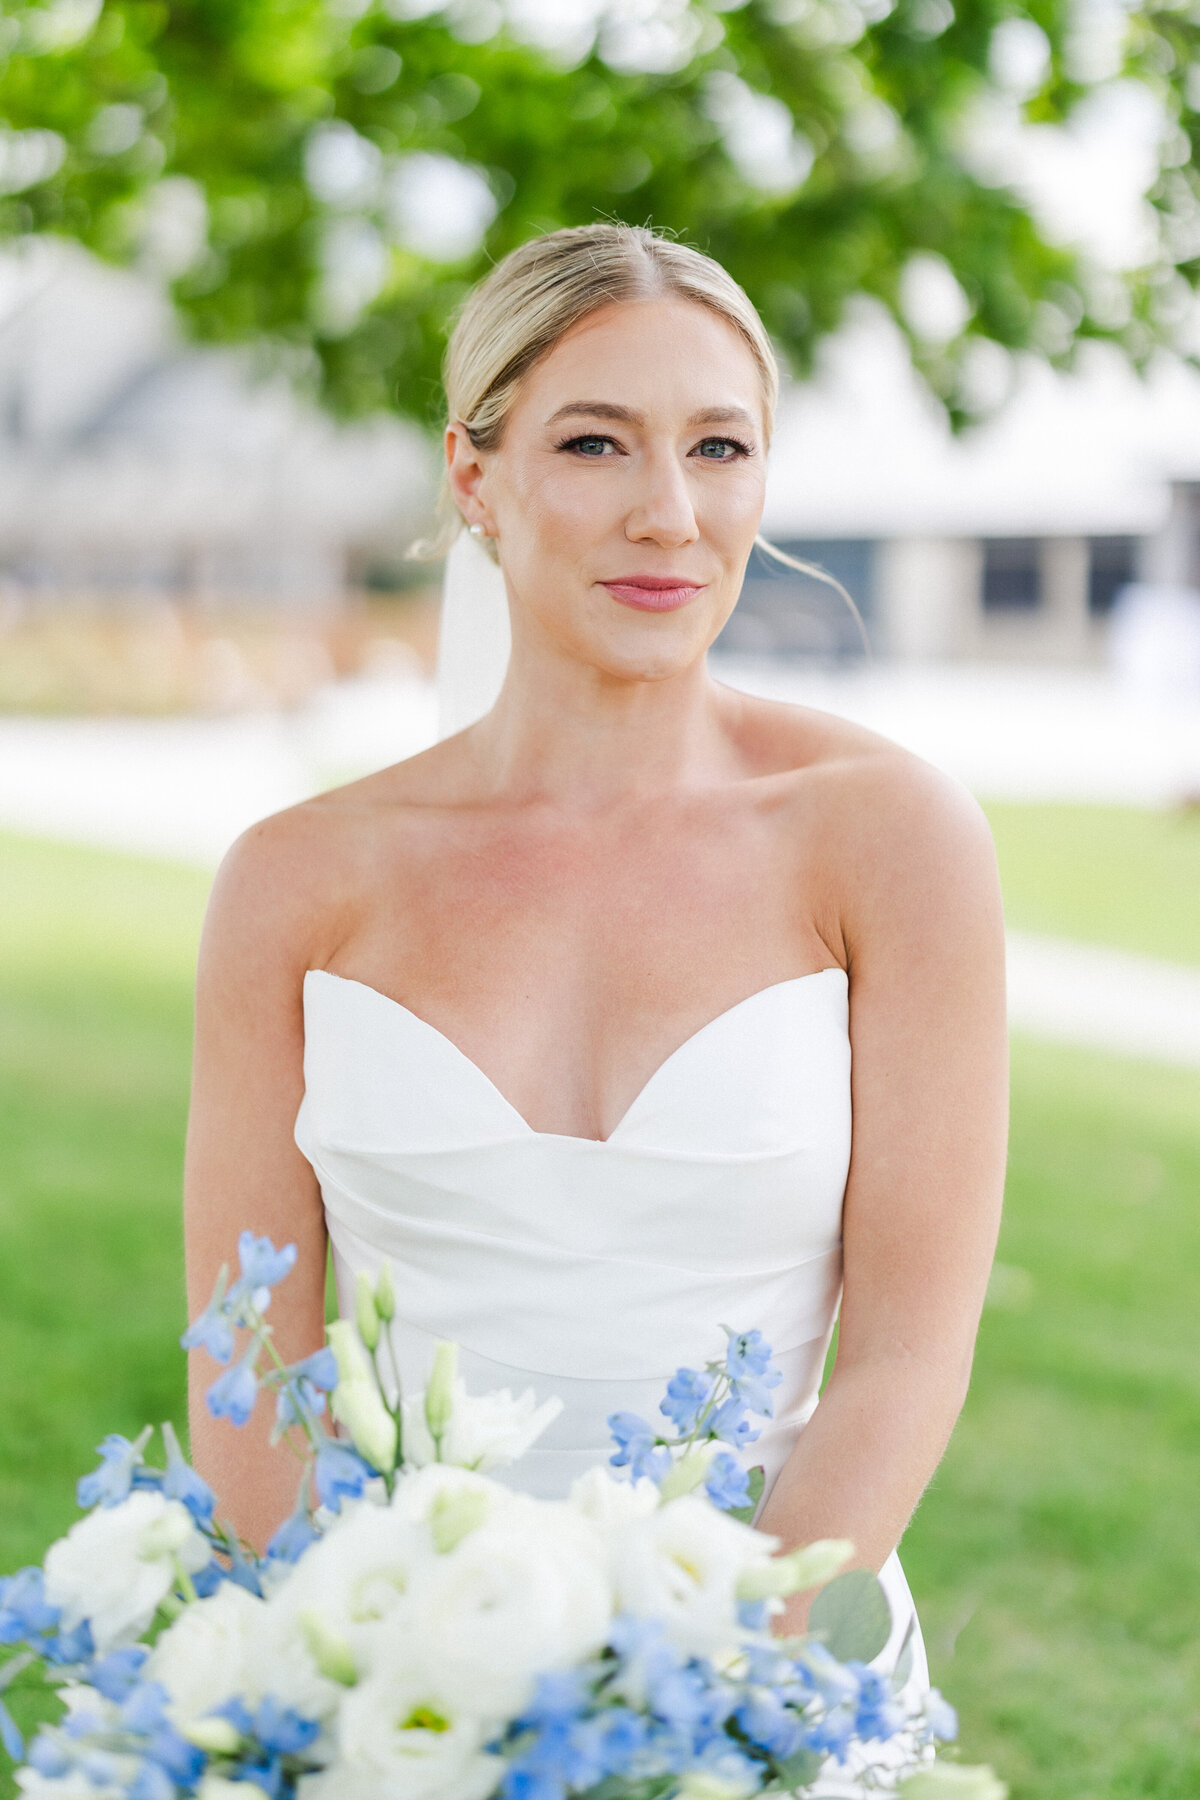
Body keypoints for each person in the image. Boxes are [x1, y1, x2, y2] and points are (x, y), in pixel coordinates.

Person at [183, 224, 1008, 1688]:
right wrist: (368, 1686)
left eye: (719, 447)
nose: (670, 514)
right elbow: (248, 1366)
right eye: (595, 445)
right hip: (383, 1680)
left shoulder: (891, 844)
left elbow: (903, 1355)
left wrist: (693, 1704)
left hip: (764, 1656)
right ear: (474, 477)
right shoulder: (295, 883)